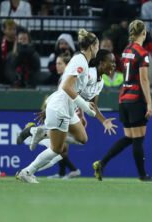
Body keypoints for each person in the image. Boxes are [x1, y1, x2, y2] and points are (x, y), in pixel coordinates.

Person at [16, 30, 100, 183]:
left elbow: (70, 89)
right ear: (92, 47)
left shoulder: (82, 62)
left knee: (82, 138)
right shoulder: (80, 61)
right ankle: (27, 172)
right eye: (97, 46)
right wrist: (86, 107)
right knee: (57, 149)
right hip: (60, 107)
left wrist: (81, 107)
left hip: (68, 108)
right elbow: (67, 87)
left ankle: (40, 132)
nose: (98, 49)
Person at [93, 20, 152, 182]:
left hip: (123, 98)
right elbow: (144, 80)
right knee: (138, 138)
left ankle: (102, 163)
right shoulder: (142, 53)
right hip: (136, 99)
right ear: (144, 33)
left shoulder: (126, 50)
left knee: (129, 137)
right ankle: (143, 175)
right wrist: (149, 102)